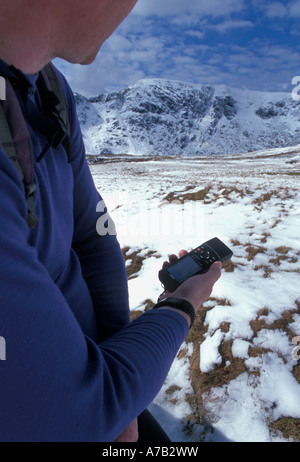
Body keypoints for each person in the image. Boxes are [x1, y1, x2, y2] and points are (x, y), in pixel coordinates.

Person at [0, 0, 222, 442]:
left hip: (103, 384)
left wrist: (122, 389)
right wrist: (180, 306)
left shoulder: (48, 90)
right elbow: (70, 413)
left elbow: (92, 235)